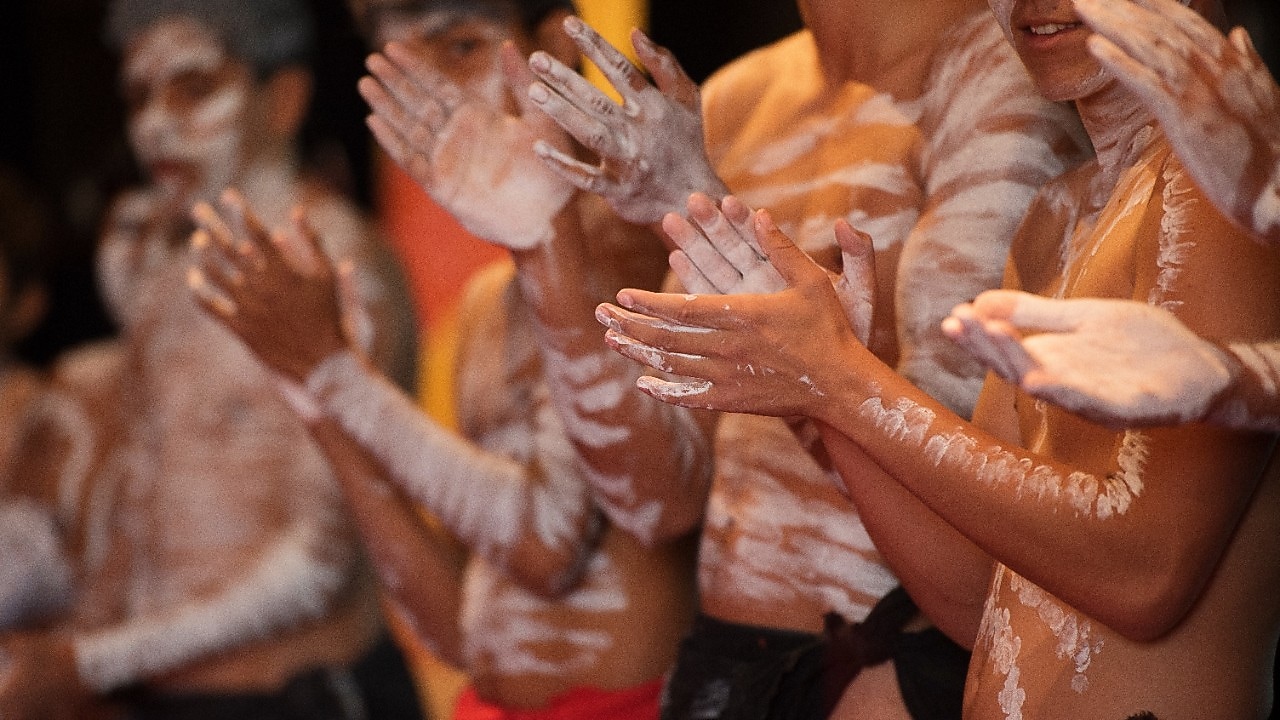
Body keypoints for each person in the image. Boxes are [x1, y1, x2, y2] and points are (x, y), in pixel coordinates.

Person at [592, 0, 1280, 715]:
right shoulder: (1056, 214)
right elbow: (972, 593)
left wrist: (843, 380)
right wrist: (818, 399)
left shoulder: (1222, 189)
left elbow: (1145, 576)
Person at [518, 1, 1089, 717]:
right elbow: (656, 504)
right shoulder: (738, 97)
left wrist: (786, 334)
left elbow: (962, 517)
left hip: (885, 670)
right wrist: (540, 242)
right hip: (721, 662)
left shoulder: (1006, 77)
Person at [190, 1, 697, 719]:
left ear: (555, 45)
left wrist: (337, 375)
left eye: (459, 48)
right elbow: (462, 630)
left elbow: (549, 549)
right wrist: (310, 388)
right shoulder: (487, 302)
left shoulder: (624, 247)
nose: (436, 98)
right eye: (402, 70)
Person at [0, 0, 424, 718]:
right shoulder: (166, 274)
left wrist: (91, 662)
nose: (154, 126)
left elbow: (323, 560)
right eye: (138, 97)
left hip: (303, 696)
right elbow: (145, 508)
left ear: (283, 99)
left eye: (193, 90)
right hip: (172, 696)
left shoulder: (338, 263)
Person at [942, 0, 1280, 430]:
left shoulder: (1208, 190)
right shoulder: (1054, 211)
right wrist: (836, 374)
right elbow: (973, 495)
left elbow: (1152, 500)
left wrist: (847, 380)